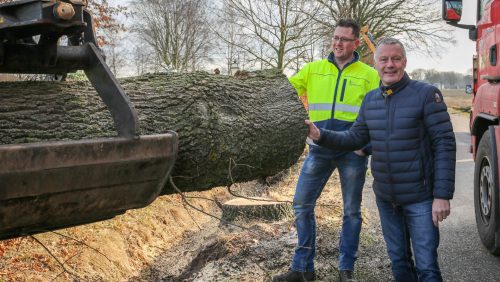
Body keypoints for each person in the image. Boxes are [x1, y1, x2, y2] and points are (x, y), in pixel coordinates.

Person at [305, 37, 456, 282]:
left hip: (421, 198)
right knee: (398, 262)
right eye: (383, 59)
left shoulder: (427, 94)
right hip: (386, 199)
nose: (389, 65)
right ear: (375, 64)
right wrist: (320, 135)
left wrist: (442, 195)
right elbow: (355, 137)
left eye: (395, 59)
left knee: (427, 267)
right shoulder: (371, 100)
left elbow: (445, 144)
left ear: (404, 62)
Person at [272, 19, 379, 282]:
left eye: (344, 39)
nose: (338, 43)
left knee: (352, 211)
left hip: (352, 152)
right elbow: (283, 93)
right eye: (335, 38)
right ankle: (303, 269)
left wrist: (366, 147)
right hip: (319, 148)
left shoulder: (369, 75)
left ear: (356, 43)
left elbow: (381, 114)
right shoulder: (312, 69)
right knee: (301, 205)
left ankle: (346, 271)